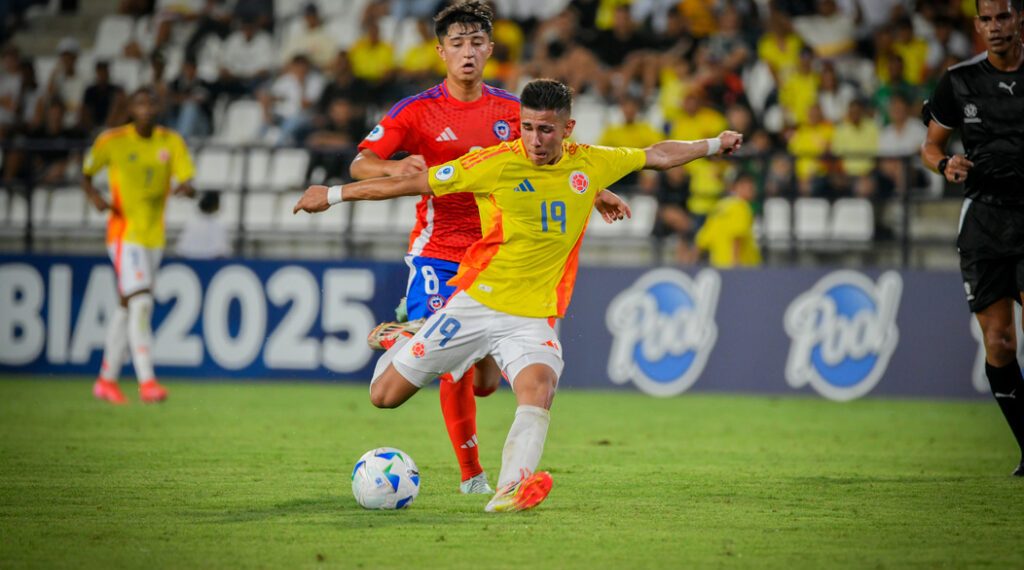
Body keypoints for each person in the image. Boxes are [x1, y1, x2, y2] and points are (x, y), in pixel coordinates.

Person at [293, 78, 743, 512]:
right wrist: (331, 195)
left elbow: (657, 154)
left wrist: (713, 144)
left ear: (567, 129)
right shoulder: (495, 162)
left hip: (530, 316)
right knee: (384, 396)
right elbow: (409, 183)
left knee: (539, 386)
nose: (533, 138)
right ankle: (407, 338)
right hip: (476, 304)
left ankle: (510, 488)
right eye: (526, 126)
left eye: (545, 129)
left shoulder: (590, 162)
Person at [921, 0, 1024, 476]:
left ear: (1020, 19)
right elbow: (930, 145)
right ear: (977, 24)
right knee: (1000, 343)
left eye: (1003, 17)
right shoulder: (958, 81)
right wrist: (945, 164)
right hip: (984, 221)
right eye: (986, 19)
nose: (994, 27)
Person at [82, 88, 196, 405]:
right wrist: (94, 197)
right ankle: (147, 382)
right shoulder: (112, 140)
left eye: (152, 103)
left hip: (154, 237)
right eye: (141, 103)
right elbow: (86, 172)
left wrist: (186, 188)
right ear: (131, 108)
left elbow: (188, 179)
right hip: (123, 233)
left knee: (126, 305)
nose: (147, 109)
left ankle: (105, 380)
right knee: (142, 301)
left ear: (159, 108)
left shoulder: (170, 141)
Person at [695, 173, 762, 268]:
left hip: (718, 264)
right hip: (742, 266)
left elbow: (703, 239)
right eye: (750, 188)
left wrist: (692, 261)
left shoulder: (719, 206)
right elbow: (737, 235)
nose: (753, 191)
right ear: (738, 187)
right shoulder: (741, 207)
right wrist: (735, 263)